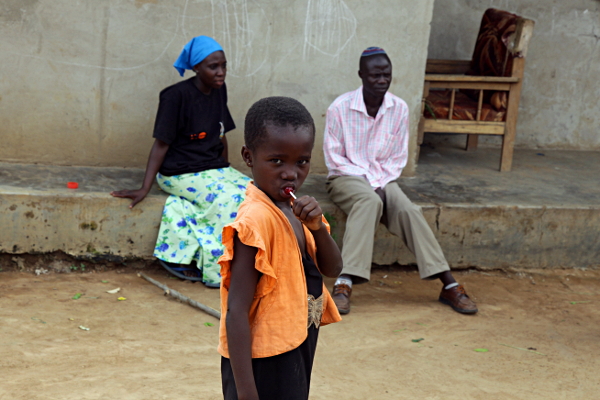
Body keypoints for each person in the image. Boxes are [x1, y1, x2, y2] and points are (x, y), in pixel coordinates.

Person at [323, 47, 478, 315]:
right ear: (361, 75)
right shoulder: (340, 107)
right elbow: (334, 158)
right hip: (347, 176)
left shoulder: (399, 108)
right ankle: (344, 282)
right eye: (375, 75)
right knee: (369, 201)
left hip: (384, 178)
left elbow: (397, 158)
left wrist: (378, 183)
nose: (382, 80)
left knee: (408, 210)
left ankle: (448, 284)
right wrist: (371, 184)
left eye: (387, 75)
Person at [218, 96, 343, 400]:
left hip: (296, 339)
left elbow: (333, 268)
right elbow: (236, 312)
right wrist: (247, 392)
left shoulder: (296, 208)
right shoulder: (256, 221)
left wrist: (318, 229)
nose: (291, 173)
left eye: (301, 161)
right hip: (262, 358)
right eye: (277, 161)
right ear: (248, 157)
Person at [111, 36, 250, 288]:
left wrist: (226, 168)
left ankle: (243, 262)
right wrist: (146, 187)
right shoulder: (175, 96)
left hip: (211, 167)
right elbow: (161, 144)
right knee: (227, 199)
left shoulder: (220, 90)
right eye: (213, 67)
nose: (221, 73)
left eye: (224, 65)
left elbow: (220, 133)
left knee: (253, 192)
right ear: (196, 67)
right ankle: (216, 269)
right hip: (179, 173)